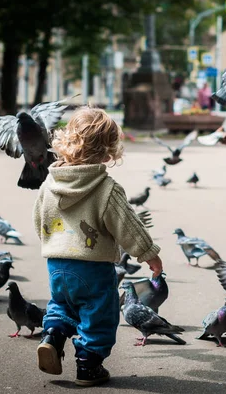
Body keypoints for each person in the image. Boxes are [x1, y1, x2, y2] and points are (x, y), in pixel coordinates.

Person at [33, 106, 163, 387]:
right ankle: (88, 365)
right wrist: (148, 254)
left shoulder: (50, 183)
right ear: (108, 152)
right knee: (99, 313)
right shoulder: (106, 188)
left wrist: (52, 243)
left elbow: (39, 218)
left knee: (61, 305)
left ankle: (52, 337)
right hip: (93, 266)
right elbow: (128, 225)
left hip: (57, 263)